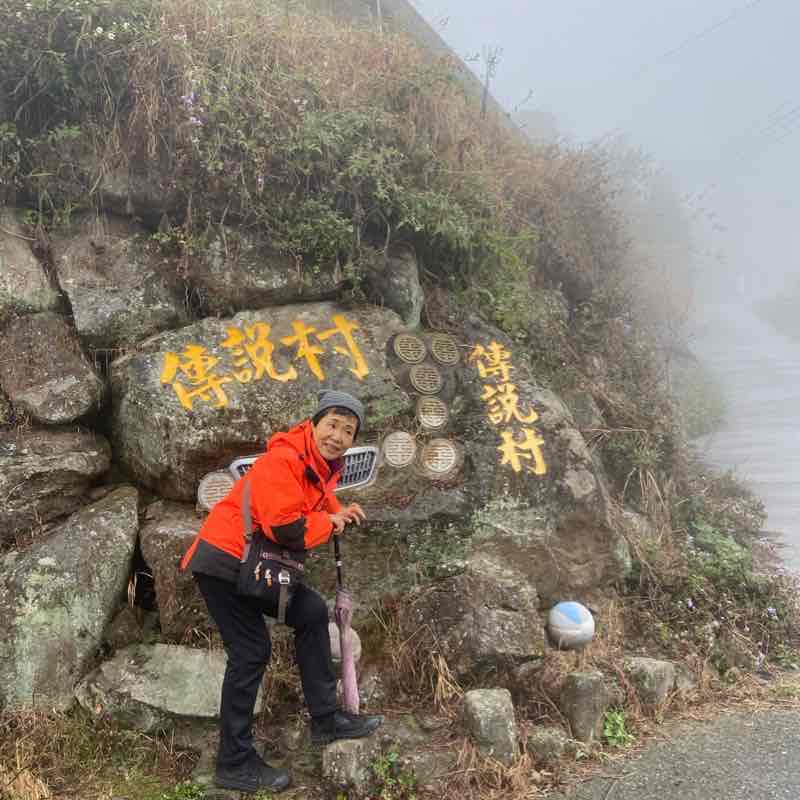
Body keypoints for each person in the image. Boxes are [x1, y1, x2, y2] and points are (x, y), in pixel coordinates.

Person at [180, 389, 383, 794]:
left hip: (253, 567)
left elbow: (320, 497)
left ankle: (326, 721)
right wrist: (332, 525)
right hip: (223, 564)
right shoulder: (284, 459)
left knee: (309, 611)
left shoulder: (316, 465)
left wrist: (337, 511)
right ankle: (233, 763)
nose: (338, 436)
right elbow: (288, 530)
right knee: (251, 651)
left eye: (348, 430)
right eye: (332, 425)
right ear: (313, 424)